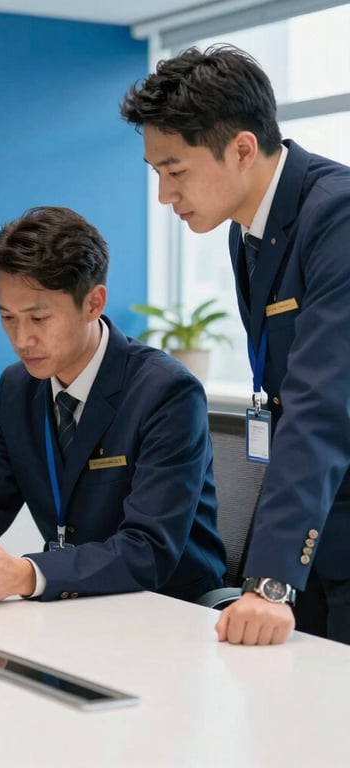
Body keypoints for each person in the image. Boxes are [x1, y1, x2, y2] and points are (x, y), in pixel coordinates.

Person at [0, 206, 226, 604]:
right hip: (72, 609)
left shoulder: (166, 392)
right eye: (8, 318)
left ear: (93, 303)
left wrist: (27, 574)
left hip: (166, 611)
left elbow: (148, 549)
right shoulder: (18, 387)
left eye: (38, 318)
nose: (21, 340)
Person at [120, 45, 350, 646]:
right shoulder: (248, 230)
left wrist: (270, 579)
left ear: (242, 149)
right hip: (317, 532)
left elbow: (320, 407)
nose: (166, 196)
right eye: (157, 175)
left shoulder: (338, 217)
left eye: (176, 171)